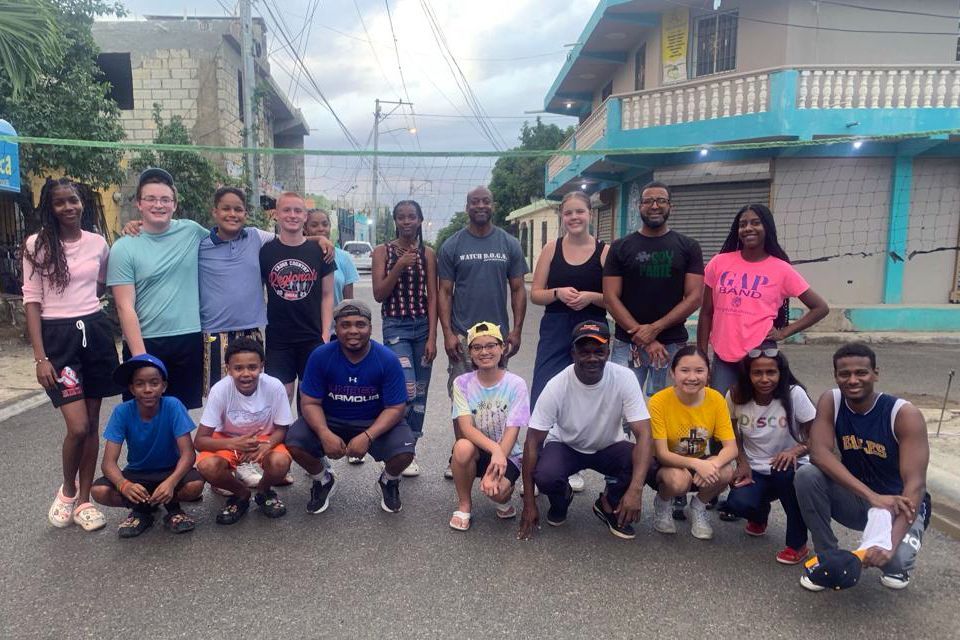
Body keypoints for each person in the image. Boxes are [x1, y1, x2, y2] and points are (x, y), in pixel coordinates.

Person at [22, 178, 120, 532]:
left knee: (93, 424)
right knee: (76, 426)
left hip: (94, 333)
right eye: (60, 202)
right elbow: (32, 301)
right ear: (50, 206)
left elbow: (102, 282)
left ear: (83, 204)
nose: (68, 207)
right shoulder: (36, 245)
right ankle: (67, 490)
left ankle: (84, 502)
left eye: (73, 201)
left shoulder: (97, 243)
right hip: (57, 338)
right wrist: (40, 357)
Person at [795, 343, 930, 591]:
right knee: (806, 475)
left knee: (893, 563)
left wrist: (889, 544)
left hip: (900, 505)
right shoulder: (831, 400)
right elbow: (818, 453)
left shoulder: (902, 414)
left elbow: (916, 484)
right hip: (859, 498)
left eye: (861, 372)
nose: (852, 380)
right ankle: (829, 560)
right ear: (836, 376)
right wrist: (871, 496)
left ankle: (900, 559)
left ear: (875, 374)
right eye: (844, 374)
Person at [517, 320, 653, 541]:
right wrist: (529, 504)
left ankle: (609, 503)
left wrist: (635, 490)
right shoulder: (556, 384)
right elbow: (532, 442)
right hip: (566, 446)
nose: (592, 358)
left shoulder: (624, 377)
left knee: (649, 462)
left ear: (608, 351)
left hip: (609, 446)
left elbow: (644, 433)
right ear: (573, 353)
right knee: (546, 475)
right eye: (584, 351)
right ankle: (561, 498)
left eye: (598, 351)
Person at [284, 300, 416, 514]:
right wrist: (324, 433)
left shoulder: (387, 359)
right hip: (331, 420)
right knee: (295, 441)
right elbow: (309, 402)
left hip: (374, 421)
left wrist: (368, 436)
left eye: (360, 324)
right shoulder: (320, 356)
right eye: (345, 325)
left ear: (370, 328)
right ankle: (323, 479)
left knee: (405, 452)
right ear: (336, 328)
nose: (353, 331)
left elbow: (395, 408)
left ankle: (389, 481)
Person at [438, 186, 527, 477]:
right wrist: (448, 333)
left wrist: (516, 330)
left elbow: (517, 289)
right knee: (461, 397)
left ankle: (498, 453)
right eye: (474, 201)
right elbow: (445, 292)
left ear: (493, 205)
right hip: (464, 337)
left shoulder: (509, 243)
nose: (480, 205)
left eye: (485, 201)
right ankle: (461, 455)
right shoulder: (453, 245)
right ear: (467, 206)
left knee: (495, 400)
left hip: (496, 338)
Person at [696, 203, 828, 396]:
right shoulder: (719, 262)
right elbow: (706, 313)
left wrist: (784, 333)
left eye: (756, 223)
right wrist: (701, 357)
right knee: (721, 412)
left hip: (761, 355)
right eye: (743, 224)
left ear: (767, 227)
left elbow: (820, 307)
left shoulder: (781, 269)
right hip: (723, 356)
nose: (748, 228)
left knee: (759, 413)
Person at [107, 168, 209, 409]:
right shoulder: (124, 248)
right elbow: (124, 306)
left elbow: (231, 238)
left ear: (174, 204)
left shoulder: (192, 232)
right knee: (144, 418)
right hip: (146, 341)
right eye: (151, 199)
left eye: (165, 199)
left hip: (188, 339)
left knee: (181, 419)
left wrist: (314, 239)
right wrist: (142, 358)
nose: (158, 205)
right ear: (139, 204)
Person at [529, 191, 608, 493]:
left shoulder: (604, 252)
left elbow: (615, 298)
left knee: (583, 395)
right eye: (568, 213)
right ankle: (537, 460)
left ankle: (572, 463)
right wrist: (557, 293)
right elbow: (536, 293)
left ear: (590, 213)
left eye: (580, 212)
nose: (574, 218)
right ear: (562, 217)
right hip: (556, 326)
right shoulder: (552, 248)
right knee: (544, 389)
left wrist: (591, 297)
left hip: (592, 328)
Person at [603, 180, 703, 396]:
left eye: (661, 200)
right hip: (627, 344)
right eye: (648, 201)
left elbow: (694, 297)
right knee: (622, 408)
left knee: (668, 412)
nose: (654, 206)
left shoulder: (689, 246)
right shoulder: (620, 247)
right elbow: (611, 297)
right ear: (639, 207)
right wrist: (644, 336)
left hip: (672, 345)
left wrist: (654, 329)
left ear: (670, 206)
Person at [90, 355, 204, 538]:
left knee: (195, 485)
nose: (148, 389)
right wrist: (124, 484)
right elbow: (108, 463)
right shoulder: (122, 412)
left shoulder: (173, 406)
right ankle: (142, 510)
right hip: (138, 473)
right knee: (99, 491)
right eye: (140, 384)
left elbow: (188, 454)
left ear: (163, 386)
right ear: (132, 389)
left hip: (170, 470)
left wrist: (171, 482)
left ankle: (172, 508)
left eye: (154, 383)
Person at [723, 341, 816, 564]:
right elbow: (732, 433)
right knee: (738, 504)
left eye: (771, 372)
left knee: (785, 477)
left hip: (791, 467)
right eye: (757, 373)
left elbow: (819, 437)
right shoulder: (735, 395)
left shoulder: (795, 395)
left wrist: (796, 450)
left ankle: (797, 545)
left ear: (780, 373)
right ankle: (759, 513)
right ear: (748, 374)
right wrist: (742, 462)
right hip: (755, 467)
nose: (765, 379)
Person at [370, 200, 438, 476]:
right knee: (406, 390)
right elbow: (378, 294)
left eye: (412, 217)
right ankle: (395, 446)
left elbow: (433, 296)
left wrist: (433, 336)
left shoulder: (428, 253)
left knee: (420, 394)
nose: (407, 221)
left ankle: (410, 450)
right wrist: (398, 266)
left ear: (420, 220)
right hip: (396, 326)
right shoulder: (381, 252)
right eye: (401, 217)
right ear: (395, 221)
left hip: (422, 326)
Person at [195, 337, 293, 524]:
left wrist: (267, 446)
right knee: (207, 466)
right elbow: (199, 441)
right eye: (238, 368)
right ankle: (241, 493)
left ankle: (264, 490)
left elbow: (282, 429)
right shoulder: (220, 390)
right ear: (228, 369)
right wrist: (233, 444)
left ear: (262, 367)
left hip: (263, 438)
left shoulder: (274, 386)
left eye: (252, 367)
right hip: (227, 438)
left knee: (280, 462)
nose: (246, 374)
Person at [647, 346, 738, 540]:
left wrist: (711, 465)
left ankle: (698, 506)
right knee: (679, 481)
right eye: (684, 370)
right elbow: (662, 453)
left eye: (699, 371)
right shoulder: (658, 401)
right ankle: (663, 503)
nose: (692, 377)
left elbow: (731, 448)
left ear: (708, 374)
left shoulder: (715, 399)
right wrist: (698, 465)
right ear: (672, 373)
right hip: (667, 464)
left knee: (726, 471)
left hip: (699, 460)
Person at [448, 322, 529, 531]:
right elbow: (466, 428)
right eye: (477, 347)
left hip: (508, 452)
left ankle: (503, 499)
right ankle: (464, 504)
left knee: (499, 492)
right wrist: (494, 451)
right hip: (479, 449)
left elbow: (513, 429)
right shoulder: (462, 383)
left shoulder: (516, 384)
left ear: (502, 348)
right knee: (462, 447)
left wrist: (500, 455)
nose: (484, 352)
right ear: (470, 353)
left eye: (491, 345)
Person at [260, 192, 336, 403]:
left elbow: (328, 295)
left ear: (305, 217)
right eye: (286, 210)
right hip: (278, 339)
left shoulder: (321, 251)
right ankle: (280, 437)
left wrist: (325, 334)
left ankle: (308, 438)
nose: (292, 215)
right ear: (276, 214)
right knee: (280, 399)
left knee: (310, 400)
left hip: (312, 338)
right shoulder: (265, 251)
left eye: (298, 211)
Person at [305, 208, 359, 305]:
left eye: (325, 224)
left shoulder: (344, 257)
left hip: (334, 319)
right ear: (305, 228)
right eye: (314, 225)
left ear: (330, 227)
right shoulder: (299, 254)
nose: (321, 229)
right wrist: (318, 238)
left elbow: (349, 301)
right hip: (305, 319)